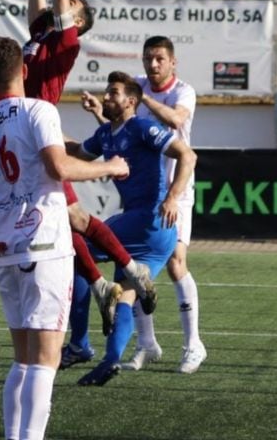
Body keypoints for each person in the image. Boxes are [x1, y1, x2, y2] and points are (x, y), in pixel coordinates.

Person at [0, 38, 129, 440]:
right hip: (44, 247)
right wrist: (109, 165)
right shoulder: (40, 110)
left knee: (23, 359)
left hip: (4, 252)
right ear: (24, 71)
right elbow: (57, 167)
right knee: (45, 361)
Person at [24, 0, 155, 369]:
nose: (66, 2)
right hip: (22, 129)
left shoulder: (66, 37)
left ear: (77, 19)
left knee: (70, 218)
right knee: (70, 217)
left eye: (73, 5)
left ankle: (117, 274)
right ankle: (115, 276)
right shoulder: (41, 30)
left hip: (37, 127)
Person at [83, 36, 205, 373]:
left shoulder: (183, 91)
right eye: (148, 58)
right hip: (141, 191)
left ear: (172, 62)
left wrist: (142, 98)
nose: (152, 65)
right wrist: (101, 114)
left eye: (159, 59)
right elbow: (121, 133)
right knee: (131, 267)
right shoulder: (134, 88)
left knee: (176, 262)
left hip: (176, 188)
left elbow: (177, 121)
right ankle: (146, 342)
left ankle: (193, 344)